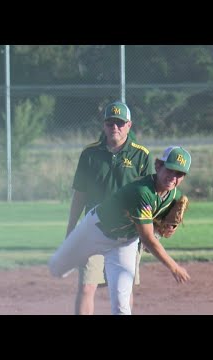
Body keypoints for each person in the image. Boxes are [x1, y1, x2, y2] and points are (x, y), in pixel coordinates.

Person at [49, 146, 192, 315]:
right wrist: (174, 267)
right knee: (56, 267)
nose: (173, 177)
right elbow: (147, 239)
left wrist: (163, 231)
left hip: (124, 244)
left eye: (179, 174)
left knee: (121, 306)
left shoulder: (174, 197)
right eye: (170, 170)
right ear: (159, 166)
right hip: (94, 231)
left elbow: (156, 230)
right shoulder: (142, 191)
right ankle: (70, 261)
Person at [67, 101, 155, 315]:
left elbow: (149, 199)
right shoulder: (90, 154)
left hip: (127, 232)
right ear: (103, 125)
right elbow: (80, 194)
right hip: (93, 229)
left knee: (123, 289)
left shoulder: (141, 155)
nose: (114, 127)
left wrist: (149, 231)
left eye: (119, 122)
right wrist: (71, 229)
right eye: (110, 122)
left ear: (129, 125)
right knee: (87, 286)